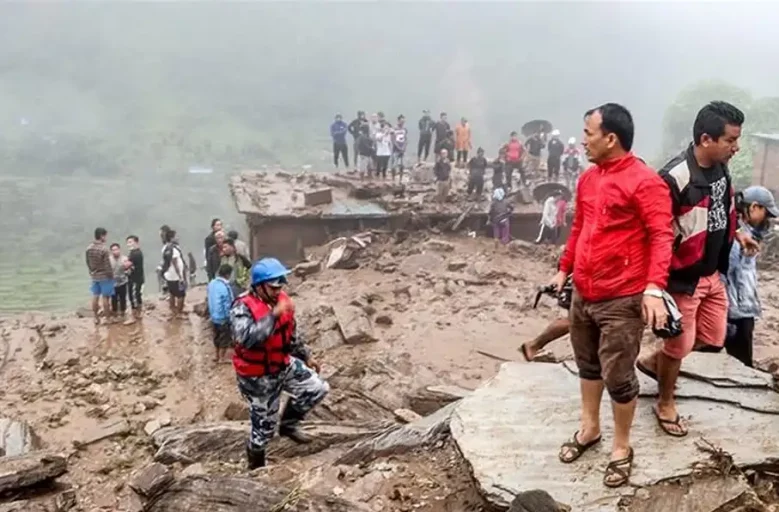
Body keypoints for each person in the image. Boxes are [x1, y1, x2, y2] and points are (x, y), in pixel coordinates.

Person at [550, 103, 674, 488]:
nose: (584, 140)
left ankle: (622, 447)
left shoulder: (645, 181)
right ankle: (590, 429)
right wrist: (564, 267)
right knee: (587, 364)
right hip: (584, 292)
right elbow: (580, 226)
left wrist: (653, 289)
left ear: (611, 138)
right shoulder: (589, 179)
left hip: (622, 298)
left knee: (618, 376)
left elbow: (661, 235)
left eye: (588, 133)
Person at [636, 101, 756, 438]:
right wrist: (655, 286)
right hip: (684, 277)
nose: (737, 147)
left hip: (712, 273)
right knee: (678, 346)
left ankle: (653, 363)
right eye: (731, 140)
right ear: (707, 138)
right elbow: (656, 232)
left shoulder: (721, 168)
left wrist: (738, 235)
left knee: (712, 337)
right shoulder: (675, 178)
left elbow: (723, 209)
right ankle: (664, 403)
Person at [230, 258, 328, 469]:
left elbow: (290, 334)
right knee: (263, 430)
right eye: (273, 287)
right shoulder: (242, 306)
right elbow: (247, 338)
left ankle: (289, 425)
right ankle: (256, 466)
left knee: (317, 388)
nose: (278, 291)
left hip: (282, 364)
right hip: (257, 376)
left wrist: (306, 355)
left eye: (280, 286)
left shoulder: (282, 300)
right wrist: (273, 315)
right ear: (259, 286)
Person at [724, 186, 778, 367]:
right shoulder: (736, 237)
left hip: (744, 308)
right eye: (767, 214)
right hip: (734, 311)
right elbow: (726, 273)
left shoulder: (748, 235)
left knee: (740, 360)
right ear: (754, 207)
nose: (767, 220)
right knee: (739, 363)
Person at [86, 227, 114, 325]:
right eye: (105, 236)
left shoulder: (89, 248)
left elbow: (88, 263)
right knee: (105, 297)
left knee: (95, 296)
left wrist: (91, 271)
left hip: (94, 276)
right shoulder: (104, 249)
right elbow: (107, 265)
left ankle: (96, 318)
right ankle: (107, 318)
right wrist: (111, 276)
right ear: (102, 236)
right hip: (105, 276)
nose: (106, 238)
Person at [208, 263, 235, 363]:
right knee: (224, 338)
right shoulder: (225, 287)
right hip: (223, 317)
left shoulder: (212, 283)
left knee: (216, 336)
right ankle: (222, 358)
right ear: (227, 274)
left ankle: (216, 355)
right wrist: (230, 317)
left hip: (214, 315)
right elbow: (227, 304)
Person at [161, 228, 187, 318]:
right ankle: (179, 313)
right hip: (175, 276)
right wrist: (181, 276)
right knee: (181, 295)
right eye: (176, 237)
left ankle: (172, 308)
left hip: (169, 275)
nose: (178, 238)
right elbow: (175, 263)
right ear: (171, 238)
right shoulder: (174, 249)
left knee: (172, 292)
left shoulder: (165, 247)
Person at [109, 242, 133, 324]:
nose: (115, 251)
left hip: (123, 282)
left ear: (119, 250)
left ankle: (123, 313)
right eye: (113, 250)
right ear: (111, 251)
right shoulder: (109, 260)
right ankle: (115, 314)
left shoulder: (125, 259)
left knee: (123, 298)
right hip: (112, 283)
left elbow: (130, 270)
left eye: (116, 249)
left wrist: (128, 270)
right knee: (114, 299)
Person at [126, 235, 144, 319]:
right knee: (137, 295)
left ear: (136, 242)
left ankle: (135, 315)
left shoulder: (135, 254)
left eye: (130, 242)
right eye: (128, 242)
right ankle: (138, 313)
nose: (128, 244)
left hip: (135, 279)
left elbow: (126, 265)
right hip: (136, 278)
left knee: (134, 296)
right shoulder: (136, 252)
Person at [391, 115, 408, 181]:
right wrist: (398, 147)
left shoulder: (404, 129)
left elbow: (406, 139)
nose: (402, 122)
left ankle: (400, 179)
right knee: (394, 165)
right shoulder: (394, 129)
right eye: (401, 121)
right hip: (395, 149)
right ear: (398, 121)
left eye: (403, 121)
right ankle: (393, 179)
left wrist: (404, 147)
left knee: (402, 165)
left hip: (402, 149)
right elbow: (393, 140)